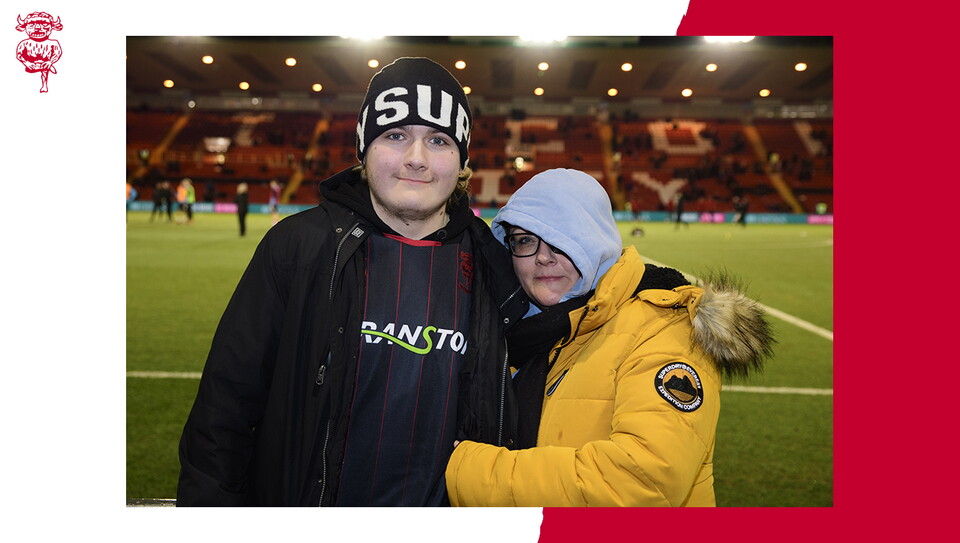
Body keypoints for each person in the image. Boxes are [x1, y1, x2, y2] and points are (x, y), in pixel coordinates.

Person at [177, 57, 528, 506]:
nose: (416, 158)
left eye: (438, 140)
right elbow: (223, 412)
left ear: (462, 160)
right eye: (395, 135)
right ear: (364, 148)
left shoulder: (495, 265)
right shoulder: (298, 249)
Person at [445, 168, 774, 507]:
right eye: (525, 240)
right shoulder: (522, 330)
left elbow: (641, 483)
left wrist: (465, 469)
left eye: (560, 237)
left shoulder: (664, 329)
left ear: (595, 238)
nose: (543, 257)